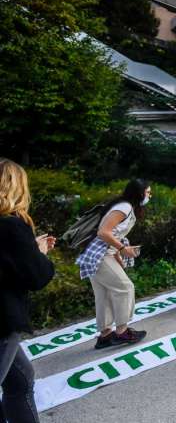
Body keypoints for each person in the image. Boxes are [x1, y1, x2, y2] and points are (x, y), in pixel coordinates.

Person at [0, 159, 55, 420]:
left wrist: (27, 248)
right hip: (2, 320)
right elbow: (37, 276)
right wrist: (39, 252)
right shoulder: (11, 224)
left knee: (20, 381)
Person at [76, 179, 150, 349]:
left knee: (104, 294)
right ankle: (122, 332)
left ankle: (105, 335)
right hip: (100, 254)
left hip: (96, 253)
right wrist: (123, 248)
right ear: (139, 193)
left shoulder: (124, 206)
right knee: (125, 287)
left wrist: (118, 254)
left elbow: (111, 234)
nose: (149, 195)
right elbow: (104, 232)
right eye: (148, 192)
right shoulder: (125, 207)